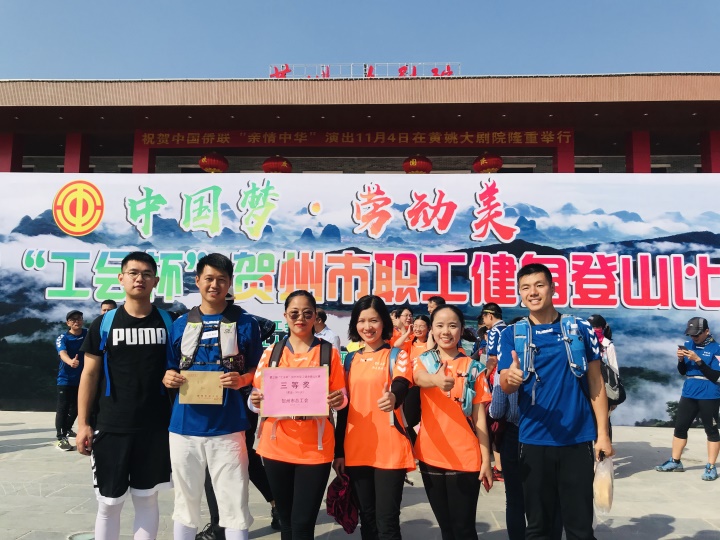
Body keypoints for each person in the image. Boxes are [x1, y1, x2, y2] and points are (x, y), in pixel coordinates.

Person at [499, 263, 612, 540]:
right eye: (525, 287)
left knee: (580, 527)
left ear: (552, 288)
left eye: (539, 285)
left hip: (577, 440)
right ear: (519, 293)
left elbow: (595, 382)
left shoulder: (579, 329)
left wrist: (603, 434)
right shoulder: (511, 334)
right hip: (533, 440)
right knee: (538, 528)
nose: (533, 292)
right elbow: (504, 382)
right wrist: (510, 378)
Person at [162, 254, 261, 540]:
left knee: (234, 502)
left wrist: (242, 379)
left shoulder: (246, 323)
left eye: (221, 279)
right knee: (185, 502)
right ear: (197, 281)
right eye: (209, 278)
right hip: (184, 428)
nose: (214, 285)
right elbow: (169, 366)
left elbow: (259, 368)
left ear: (230, 283)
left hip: (228, 427)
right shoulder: (180, 324)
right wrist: (168, 377)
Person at [77, 251, 173, 540]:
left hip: (155, 426)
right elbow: (89, 374)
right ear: (121, 278)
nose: (139, 278)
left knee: (147, 499)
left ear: (156, 280)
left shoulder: (169, 322)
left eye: (146, 274)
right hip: (111, 425)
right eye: (133, 273)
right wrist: (83, 424)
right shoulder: (104, 323)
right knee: (109, 504)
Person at [249, 290, 347, 540]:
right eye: (294, 313)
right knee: (286, 522)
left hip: (315, 448)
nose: (300, 318)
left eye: (307, 313)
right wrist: (255, 401)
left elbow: (342, 396)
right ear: (285, 316)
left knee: (303, 524)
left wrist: (339, 400)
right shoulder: (272, 353)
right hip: (276, 445)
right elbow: (255, 397)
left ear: (315, 316)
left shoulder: (328, 353)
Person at [333, 295, 415, 540]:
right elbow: (344, 410)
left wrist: (394, 396)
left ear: (384, 323)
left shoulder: (397, 355)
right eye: (361, 321)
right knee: (367, 519)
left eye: (374, 320)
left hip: (390, 448)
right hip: (356, 449)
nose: (367, 327)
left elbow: (401, 382)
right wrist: (339, 452)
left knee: (387, 522)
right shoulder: (350, 359)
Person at [413, 304, 493, 539]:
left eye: (452, 325)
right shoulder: (423, 361)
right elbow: (418, 378)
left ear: (461, 329)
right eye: (439, 325)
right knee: (446, 528)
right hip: (430, 455)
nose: (445, 331)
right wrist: (435, 380)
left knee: (464, 529)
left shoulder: (474, 369)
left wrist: (486, 461)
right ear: (432, 329)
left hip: (465, 458)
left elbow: (479, 418)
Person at [655, 316, 720, 481]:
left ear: (707, 331)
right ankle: (675, 461)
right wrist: (680, 360)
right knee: (680, 428)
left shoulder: (716, 349)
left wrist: (698, 360)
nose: (693, 337)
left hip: (709, 393)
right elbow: (683, 371)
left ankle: (711, 466)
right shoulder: (688, 345)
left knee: (711, 430)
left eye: (697, 334)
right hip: (689, 392)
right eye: (691, 334)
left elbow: (716, 376)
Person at [393, 314, 431, 446]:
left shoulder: (430, 343)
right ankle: (415, 445)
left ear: (428, 328)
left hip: (426, 386)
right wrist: (407, 333)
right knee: (409, 420)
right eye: (415, 326)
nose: (418, 329)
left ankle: (423, 446)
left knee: (426, 419)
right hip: (412, 386)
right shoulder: (410, 343)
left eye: (422, 326)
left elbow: (430, 350)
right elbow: (396, 345)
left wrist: (431, 335)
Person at [480, 303, 507, 481]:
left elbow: (492, 359)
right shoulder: (509, 329)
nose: (483, 321)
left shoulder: (494, 332)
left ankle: (499, 466)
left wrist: (482, 378)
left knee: (494, 422)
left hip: (496, 380)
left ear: (490, 316)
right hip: (510, 377)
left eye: (483, 317)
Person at [54, 309, 87, 450]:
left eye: (79, 318)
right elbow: (62, 353)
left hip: (84, 379)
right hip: (65, 380)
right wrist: (70, 362)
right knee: (63, 408)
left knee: (78, 407)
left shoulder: (88, 334)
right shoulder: (63, 338)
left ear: (82, 320)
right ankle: (61, 438)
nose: (76, 321)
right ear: (68, 323)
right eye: (73, 320)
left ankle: (67, 429)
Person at [587, 314, 620, 441]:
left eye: (596, 327)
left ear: (603, 328)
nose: (594, 330)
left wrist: (614, 397)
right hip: (586, 388)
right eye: (591, 327)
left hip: (604, 389)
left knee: (604, 421)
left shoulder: (607, 345)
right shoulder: (582, 343)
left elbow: (614, 370)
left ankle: (604, 450)